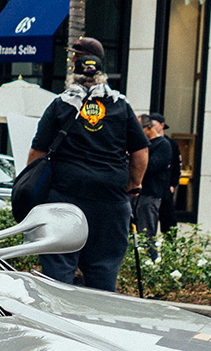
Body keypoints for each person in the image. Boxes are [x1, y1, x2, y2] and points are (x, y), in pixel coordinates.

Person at [23, 37, 147, 289]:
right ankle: (96, 324)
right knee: (103, 271)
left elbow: (37, 153)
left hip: (65, 200)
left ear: (76, 65)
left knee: (58, 271)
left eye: (73, 56)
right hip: (110, 202)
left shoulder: (60, 105)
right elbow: (141, 150)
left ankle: (58, 324)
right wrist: (133, 184)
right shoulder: (120, 105)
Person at [135, 113, 176, 237]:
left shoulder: (163, 145)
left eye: (139, 128)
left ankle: (151, 256)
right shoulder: (143, 144)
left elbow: (151, 167)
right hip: (138, 193)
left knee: (146, 233)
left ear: (148, 127)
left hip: (151, 193)